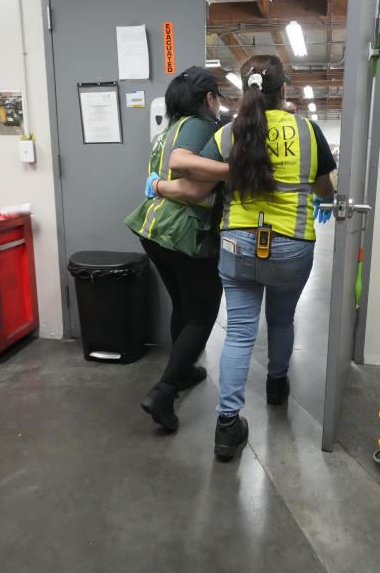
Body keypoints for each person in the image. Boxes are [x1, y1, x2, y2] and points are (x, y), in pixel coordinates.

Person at [154, 55, 336, 461]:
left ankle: (226, 426)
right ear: (283, 90)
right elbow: (325, 191)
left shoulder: (229, 132)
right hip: (292, 243)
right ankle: (276, 385)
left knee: (238, 332)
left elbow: (187, 169)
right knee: (282, 319)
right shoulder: (308, 131)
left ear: (246, 91)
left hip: (237, 244)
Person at [123, 66, 228, 433]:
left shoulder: (167, 129)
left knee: (184, 307)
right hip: (182, 233)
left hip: (152, 230)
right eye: (218, 99)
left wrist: (160, 188)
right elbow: (194, 187)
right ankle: (165, 391)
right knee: (202, 315)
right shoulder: (201, 125)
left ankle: (180, 373)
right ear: (209, 99)